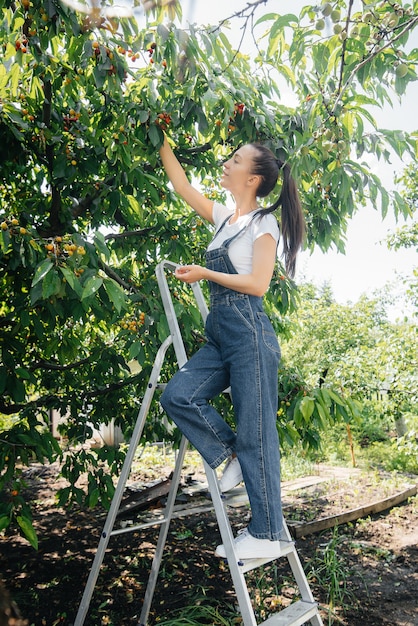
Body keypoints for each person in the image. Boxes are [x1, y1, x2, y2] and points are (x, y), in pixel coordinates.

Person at [159, 134, 305, 560]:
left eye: (235, 159)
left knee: (257, 432)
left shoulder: (264, 224)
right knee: (179, 395)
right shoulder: (225, 220)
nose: (227, 162)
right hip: (221, 334)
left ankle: (264, 533)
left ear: (253, 178)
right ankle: (231, 454)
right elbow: (183, 188)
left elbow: (258, 284)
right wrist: (159, 137)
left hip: (249, 332)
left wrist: (207, 272)